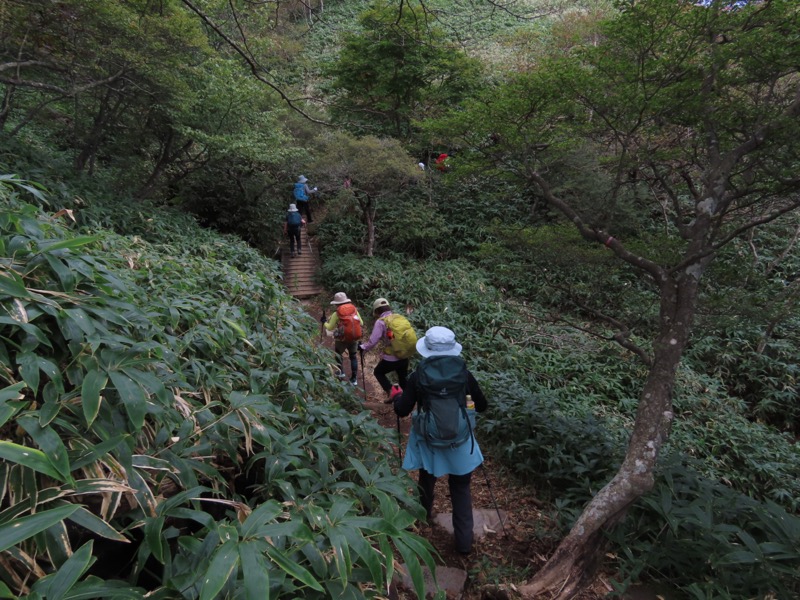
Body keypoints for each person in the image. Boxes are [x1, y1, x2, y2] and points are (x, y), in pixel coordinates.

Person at [391, 326, 488, 555]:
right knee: (461, 487)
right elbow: (482, 405)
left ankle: (424, 518)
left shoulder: (417, 375)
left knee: (427, 479)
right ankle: (464, 544)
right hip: (460, 440)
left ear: (427, 349)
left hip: (429, 441)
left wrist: (396, 397)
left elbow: (403, 410)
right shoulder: (463, 373)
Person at [359, 298, 409, 403]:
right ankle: (405, 401)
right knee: (403, 377)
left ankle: (391, 392)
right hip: (404, 355)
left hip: (392, 358)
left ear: (377, 311)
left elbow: (373, 341)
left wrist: (363, 347)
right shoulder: (398, 317)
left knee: (378, 372)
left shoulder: (381, 322)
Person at [323, 292, 363, 385]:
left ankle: (341, 373)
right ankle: (354, 379)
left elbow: (329, 327)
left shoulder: (336, 314)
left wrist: (324, 322)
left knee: (338, 355)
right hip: (354, 338)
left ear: (336, 303)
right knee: (353, 357)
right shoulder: (355, 311)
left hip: (342, 339)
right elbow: (361, 323)